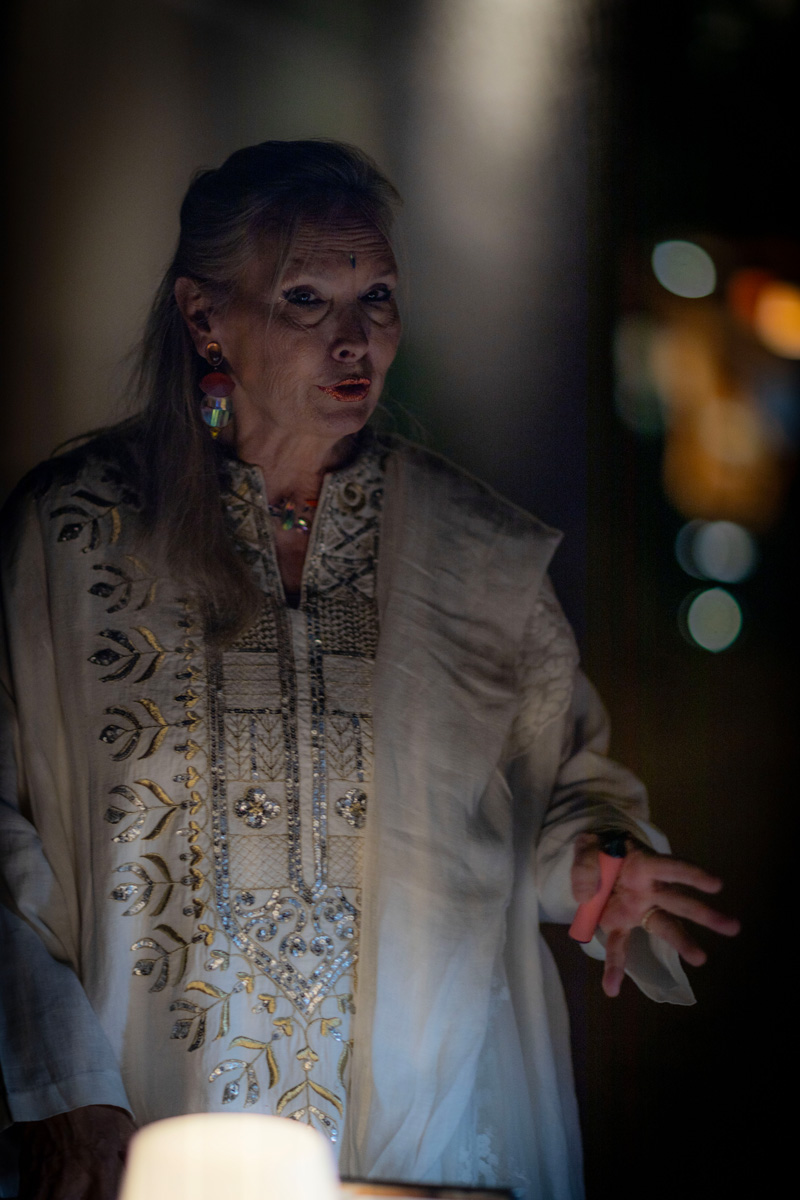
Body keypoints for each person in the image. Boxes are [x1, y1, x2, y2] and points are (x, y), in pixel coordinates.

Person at [0, 140, 738, 1200]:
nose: (354, 339)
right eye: (305, 298)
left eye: (377, 298)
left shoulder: (473, 551)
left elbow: (561, 779)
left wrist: (592, 861)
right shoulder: (70, 538)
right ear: (204, 316)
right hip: (147, 1127)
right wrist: (61, 1086)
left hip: (426, 1126)